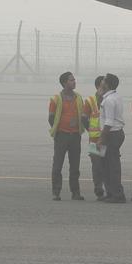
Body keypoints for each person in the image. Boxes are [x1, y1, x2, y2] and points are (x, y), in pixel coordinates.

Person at [47, 71, 85, 201]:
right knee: (58, 165)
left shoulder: (79, 98)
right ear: (64, 83)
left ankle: (76, 192)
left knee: (75, 166)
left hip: (75, 136)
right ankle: (56, 192)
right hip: (61, 135)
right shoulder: (56, 99)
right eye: (71, 80)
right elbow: (51, 118)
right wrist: (58, 130)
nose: (74, 82)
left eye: (74, 79)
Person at [99, 73, 127, 203]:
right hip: (114, 133)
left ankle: (117, 194)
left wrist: (101, 139)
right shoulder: (113, 97)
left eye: (103, 80)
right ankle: (110, 192)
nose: (101, 82)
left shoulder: (109, 100)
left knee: (112, 165)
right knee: (105, 164)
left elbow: (109, 122)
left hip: (110, 135)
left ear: (107, 84)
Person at [82, 75, 107, 200]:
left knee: (108, 165)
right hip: (95, 139)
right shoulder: (90, 101)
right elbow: (84, 118)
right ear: (98, 87)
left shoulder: (109, 99)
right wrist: (91, 130)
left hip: (108, 138)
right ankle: (99, 190)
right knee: (97, 166)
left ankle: (109, 189)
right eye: (103, 85)